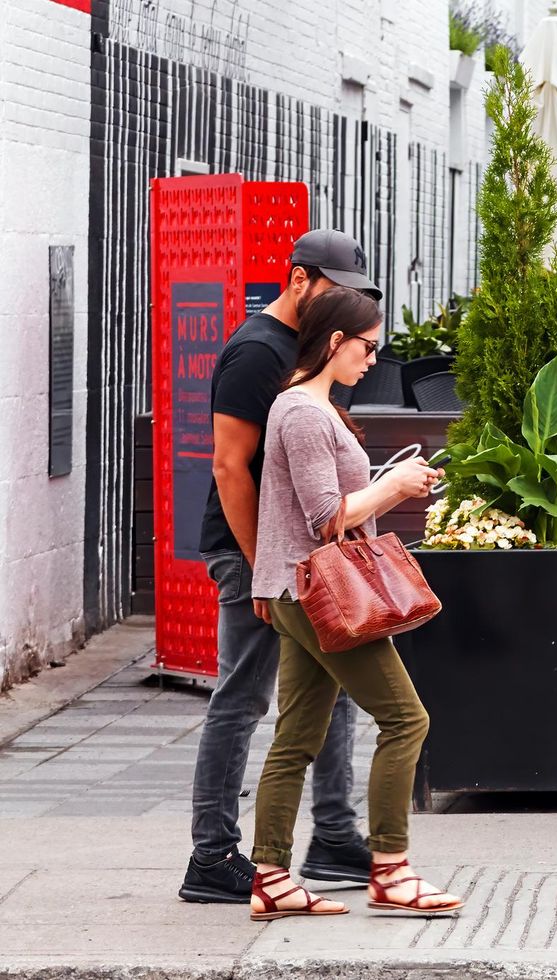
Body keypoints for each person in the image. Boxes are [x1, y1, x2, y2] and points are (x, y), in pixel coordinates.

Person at [179, 230, 383, 904]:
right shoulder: (254, 354)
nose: (344, 307)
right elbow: (229, 466)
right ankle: (212, 856)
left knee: (336, 693)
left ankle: (331, 835)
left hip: (311, 552)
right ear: (298, 280)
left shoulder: (313, 349)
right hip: (255, 556)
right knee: (241, 698)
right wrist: (259, 567)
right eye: (335, 291)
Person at [247, 286, 462, 920]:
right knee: (407, 721)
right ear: (334, 342)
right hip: (322, 595)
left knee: (296, 737)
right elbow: (324, 519)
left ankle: (270, 879)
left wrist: (385, 484)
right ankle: (391, 872)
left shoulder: (306, 408)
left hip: (298, 591)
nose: (373, 359)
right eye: (367, 347)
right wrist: (392, 486)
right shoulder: (306, 413)